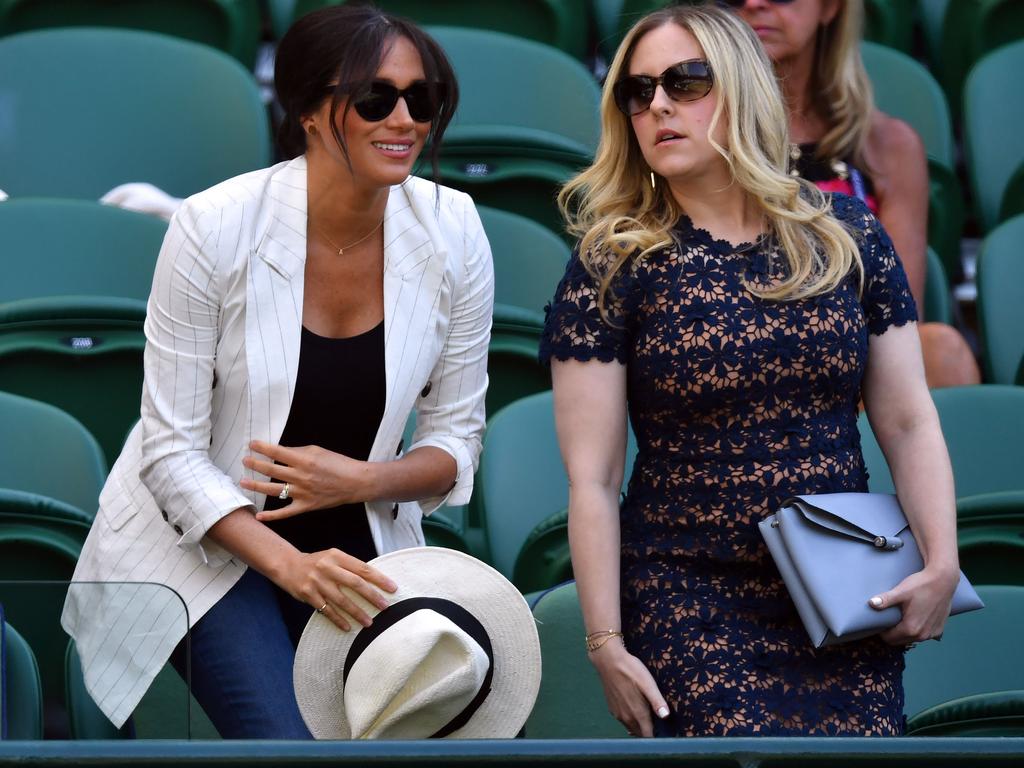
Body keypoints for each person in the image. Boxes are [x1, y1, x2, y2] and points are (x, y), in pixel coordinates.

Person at [61, 5, 493, 738]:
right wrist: (291, 568)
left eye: (422, 99)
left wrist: (363, 480)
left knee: (434, 724)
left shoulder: (455, 230)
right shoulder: (213, 227)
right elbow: (171, 455)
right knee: (287, 744)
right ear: (310, 111)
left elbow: (457, 442)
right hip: (206, 545)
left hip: (362, 540)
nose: (405, 120)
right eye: (375, 99)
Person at [541, 4, 960, 737]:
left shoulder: (846, 233)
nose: (659, 105)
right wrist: (605, 642)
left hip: (841, 588)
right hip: (687, 591)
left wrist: (943, 561)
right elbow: (594, 479)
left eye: (686, 81)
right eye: (637, 92)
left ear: (740, 87)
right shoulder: (613, 262)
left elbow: (908, 418)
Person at [727, 0, 979, 389]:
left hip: (857, 367)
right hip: (737, 360)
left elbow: (899, 312)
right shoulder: (703, 139)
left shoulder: (888, 146)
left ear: (830, 8)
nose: (755, 3)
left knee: (940, 349)